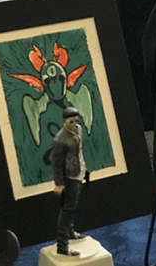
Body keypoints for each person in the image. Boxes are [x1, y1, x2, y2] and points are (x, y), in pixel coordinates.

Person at [51, 107, 88, 257]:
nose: (74, 124)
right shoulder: (60, 139)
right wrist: (59, 183)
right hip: (69, 177)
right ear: (64, 121)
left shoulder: (78, 130)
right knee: (67, 210)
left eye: (76, 121)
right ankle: (62, 246)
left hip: (78, 172)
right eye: (71, 122)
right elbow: (56, 163)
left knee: (72, 207)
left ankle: (71, 232)